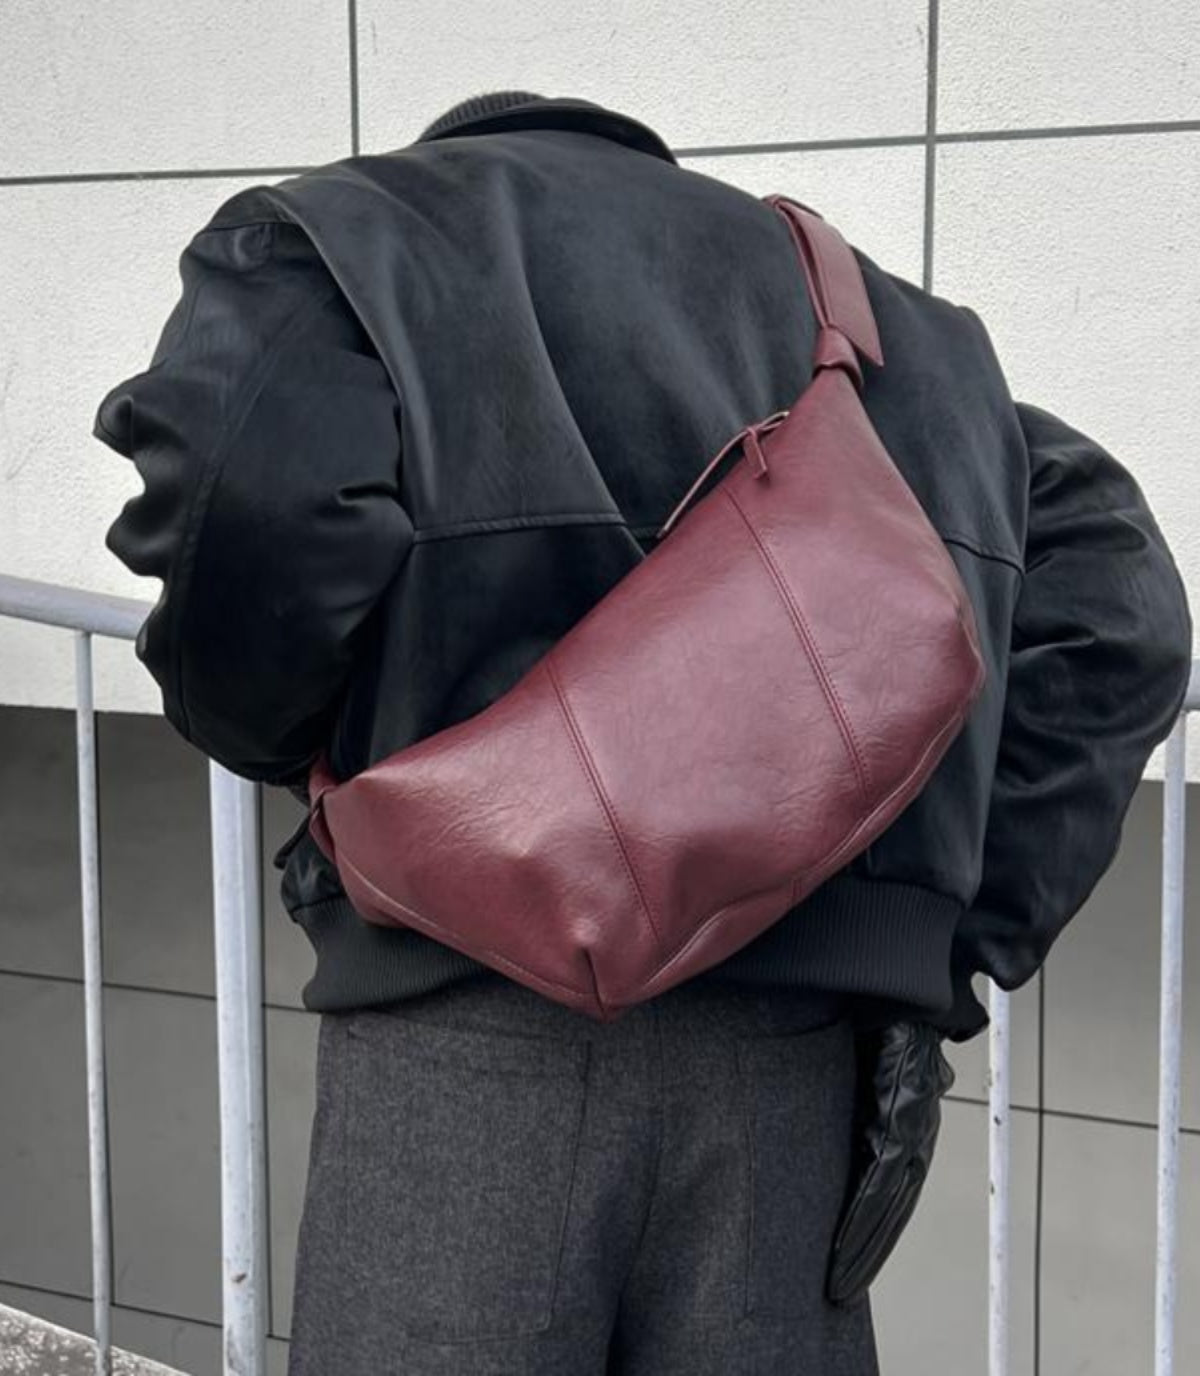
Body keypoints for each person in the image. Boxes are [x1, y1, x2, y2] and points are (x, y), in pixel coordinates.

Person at [93, 91, 1193, 1375]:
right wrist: (940, 950)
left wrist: (295, 751)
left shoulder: (347, 246)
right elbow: (1122, 604)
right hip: (798, 1081)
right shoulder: (893, 331)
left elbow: (248, 477)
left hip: (463, 1038)